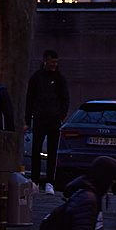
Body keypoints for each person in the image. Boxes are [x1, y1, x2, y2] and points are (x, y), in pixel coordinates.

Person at [26, 50, 70, 190]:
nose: (54, 65)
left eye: (56, 62)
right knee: (36, 150)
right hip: (39, 118)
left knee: (52, 152)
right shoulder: (36, 78)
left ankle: (49, 182)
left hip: (53, 119)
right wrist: (28, 120)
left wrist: (60, 116)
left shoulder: (59, 78)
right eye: (52, 62)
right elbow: (30, 100)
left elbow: (65, 99)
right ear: (45, 60)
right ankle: (35, 180)